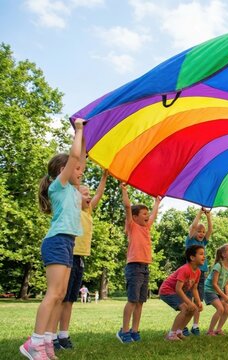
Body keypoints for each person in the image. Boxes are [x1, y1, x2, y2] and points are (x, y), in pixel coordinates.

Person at [20, 118, 85, 360]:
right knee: (53, 293)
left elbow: (81, 155)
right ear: (63, 170)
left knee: (60, 294)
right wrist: (77, 130)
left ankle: (46, 343)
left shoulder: (72, 190)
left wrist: (86, 133)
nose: (81, 171)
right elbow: (75, 154)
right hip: (57, 241)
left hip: (67, 243)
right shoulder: (59, 186)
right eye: (77, 168)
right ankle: (34, 343)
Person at [56, 170, 107, 352]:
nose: (89, 197)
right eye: (85, 193)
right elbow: (72, 188)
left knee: (70, 299)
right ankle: (52, 335)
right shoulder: (72, 208)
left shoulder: (88, 211)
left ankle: (63, 335)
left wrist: (104, 177)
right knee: (60, 298)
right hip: (68, 253)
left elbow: (99, 194)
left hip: (80, 258)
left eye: (89, 195)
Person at [117, 184, 161, 343]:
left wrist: (157, 202)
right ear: (134, 217)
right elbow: (128, 206)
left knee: (141, 301)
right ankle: (124, 330)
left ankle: (135, 330)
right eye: (144, 213)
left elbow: (154, 216)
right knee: (132, 300)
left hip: (144, 267)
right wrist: (124, 190)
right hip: (134, 267)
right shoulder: (132, 226)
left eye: (147, 213)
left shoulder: (146, 227)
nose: (147, 216)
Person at [159, 245, 205, 341]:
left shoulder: (198, 272)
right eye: (201, 254)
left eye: (204, 254)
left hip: (175, 292)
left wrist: (198, 302)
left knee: (192, 309)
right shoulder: (185, 269)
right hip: (167, 291)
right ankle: (171, 335)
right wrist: (189, 302)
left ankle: (179, 332)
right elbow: (178, 289)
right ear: (192, 257)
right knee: (185, 308)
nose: (204, 256)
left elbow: (194, 289)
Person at [182, 208, 212, 337]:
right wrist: (200, 213)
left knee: (198, 300)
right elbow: (193, 226)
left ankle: (195, 326)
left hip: (201, 273)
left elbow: (210, 229)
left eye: (203, 232)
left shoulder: (203, 242)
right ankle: (183, 326)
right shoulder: (190, 240)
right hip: (190, 274)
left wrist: (209, 216)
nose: (201, 233)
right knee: (188, 299)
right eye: (199, 231)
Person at [205, 244, 228, 336]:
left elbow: (227, 283)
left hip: (218, 291)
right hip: (209, 290)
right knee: (220, 309)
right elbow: (214, 284)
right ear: (223, 254)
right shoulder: (218, 266)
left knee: (227, 308)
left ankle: (218, 329)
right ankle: (210, 331)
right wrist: (224, 296)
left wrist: (227, 296)